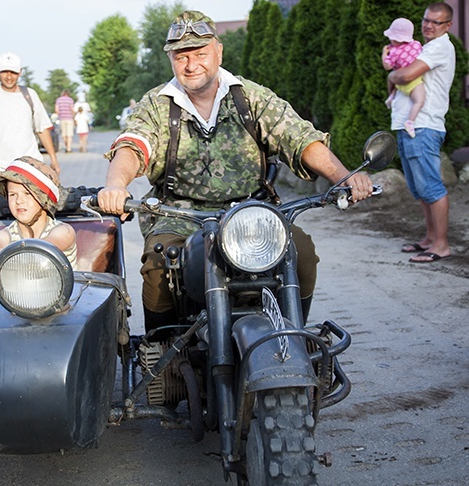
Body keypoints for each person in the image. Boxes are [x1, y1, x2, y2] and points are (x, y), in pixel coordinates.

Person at [98, 10, 374, 330]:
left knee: (303, 255)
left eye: (200, 53)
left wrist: (344, 176)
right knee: (158, 269)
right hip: (180, 216)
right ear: (171, 59)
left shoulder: (250, 96)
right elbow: (133, 145)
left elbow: (299, 138)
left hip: (251, 213)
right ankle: (160, 356)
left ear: (219, 51)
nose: (191, 64)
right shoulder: (157, 104)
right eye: (180, 56)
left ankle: (292, 333)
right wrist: (115, 185)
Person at [388, 2, 454, 263]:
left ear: (447, 25)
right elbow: (399, 73)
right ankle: (429, 238)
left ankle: (441, 245)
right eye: (426, 20)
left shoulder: (440, 47)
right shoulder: (426, 46)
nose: (428, 25)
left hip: (424, 126)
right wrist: (396, 74)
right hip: (410, 125)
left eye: (436, 22)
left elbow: (404, 76)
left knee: (431, 186)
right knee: (419, 188)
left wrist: (394, 75)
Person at [0, 157, 76, 268]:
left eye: (27, 194)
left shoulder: (63, 231)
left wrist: (2, 254)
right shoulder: (8, 234)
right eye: (12, 195)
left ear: (44, 199)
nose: (19, 201)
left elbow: (42, 250)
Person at [0, 52, 60, 175]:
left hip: (31, 165)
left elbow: (42, 129)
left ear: (20, 72)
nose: (9, 76)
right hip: (2, 167)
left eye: (13, 72)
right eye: (5, 72)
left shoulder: (30, 95)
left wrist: (53, 159)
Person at [382, 18, 426, 138]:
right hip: (414, 81)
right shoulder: (416, 45)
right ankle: (410, 121)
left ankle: (391, 97)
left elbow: (387, 66)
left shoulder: (393, 51)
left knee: (396, 79)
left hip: (400, 82)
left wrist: (384, 54)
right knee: (419, 101)